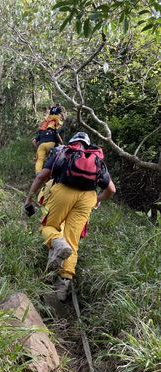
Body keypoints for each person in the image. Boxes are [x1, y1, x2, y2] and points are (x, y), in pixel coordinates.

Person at [24, 132, 116, 302]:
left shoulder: (63, 151)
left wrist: (29, 198)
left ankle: (56, 243)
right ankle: (62, 285)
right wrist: (97, 199)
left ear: (72, 142)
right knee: (72, 240)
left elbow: (41, 176)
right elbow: (111, 190)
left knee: (48, 227)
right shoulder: (96, 159)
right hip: (87, 198)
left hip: (63, 191)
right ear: (87, 146)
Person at [32, 105, 64, 173]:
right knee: (51, 160)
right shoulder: (59, 125)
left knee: (40, 160)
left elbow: (34, 141)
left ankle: (38, 173)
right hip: (51, 144)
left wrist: (37, 149)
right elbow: (59, 140)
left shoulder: (44, 126)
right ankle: (50, 175)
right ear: (59, 115)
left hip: (41, 145)